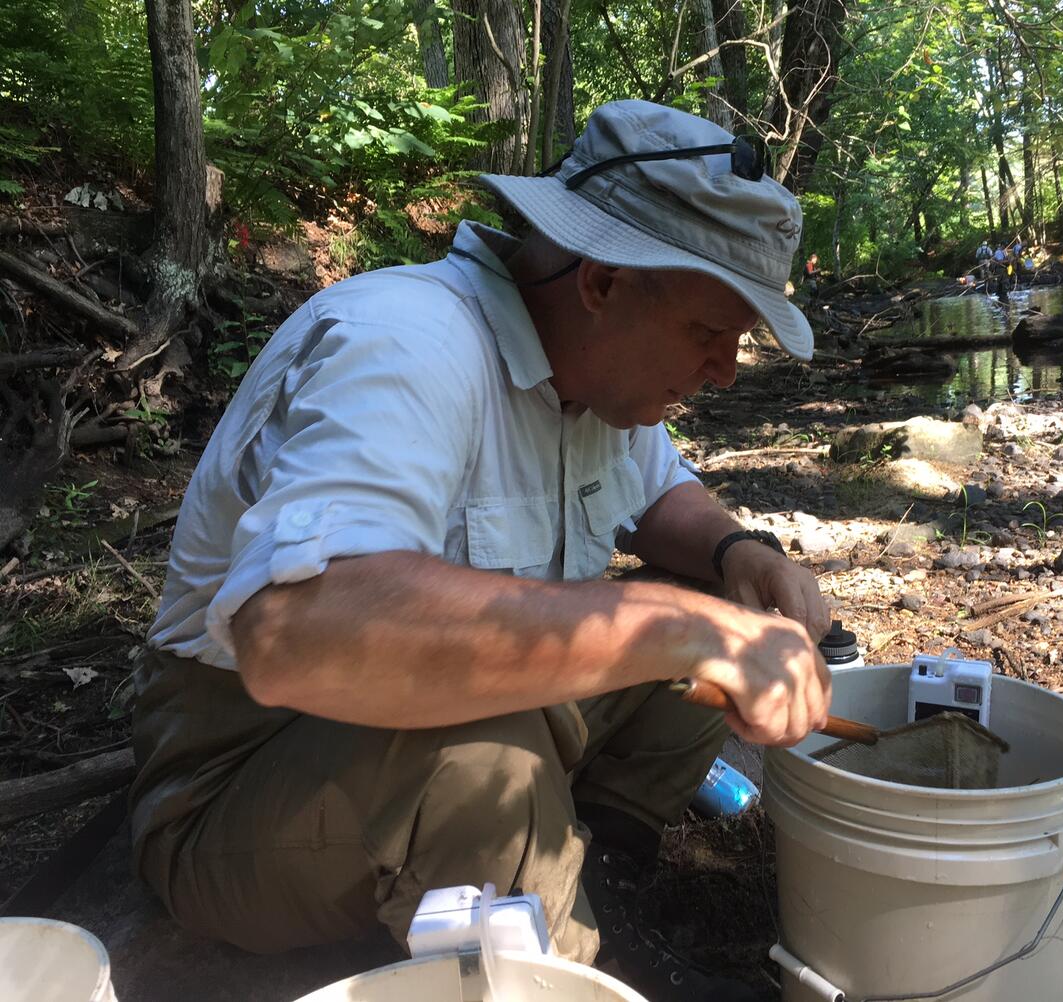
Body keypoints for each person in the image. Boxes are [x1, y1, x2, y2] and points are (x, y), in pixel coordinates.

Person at [128, 100, 833, 1002]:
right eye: (708, 332)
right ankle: (567, 972)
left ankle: (599, 876)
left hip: (411, 753)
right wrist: (676, 622)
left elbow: (661, 491)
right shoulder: (407, 342)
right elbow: (294, 631)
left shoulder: (598, 376)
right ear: (604, 279)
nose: (727, 369)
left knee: (714, 626)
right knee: (491, 760)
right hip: (236, 783)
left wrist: (741, 553)